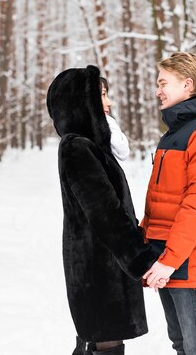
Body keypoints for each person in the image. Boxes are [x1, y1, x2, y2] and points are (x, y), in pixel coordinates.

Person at [46, 65, 163, 355]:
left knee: (96, 342)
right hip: (97, 271)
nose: (108, 103)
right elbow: (105, 213)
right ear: (80, 102)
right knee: (104, 342)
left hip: (103, 266)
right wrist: (141, 258)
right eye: (101, 96)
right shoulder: (77, 147)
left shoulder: (91, 147)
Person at [141, 52, 196, 355]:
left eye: (163, 82)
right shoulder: (173, 134)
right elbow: (159, 201)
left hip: (188, 256)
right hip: (167, 253)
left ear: (187, 84)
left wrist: (170, 259)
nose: (158, 90)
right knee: (181, 343)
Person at [100, 77, 130, 161]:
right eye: (103, 94)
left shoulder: (100, 139)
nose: (109, 103)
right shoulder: (79, 143)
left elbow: (122, 151)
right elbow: (121, 150)